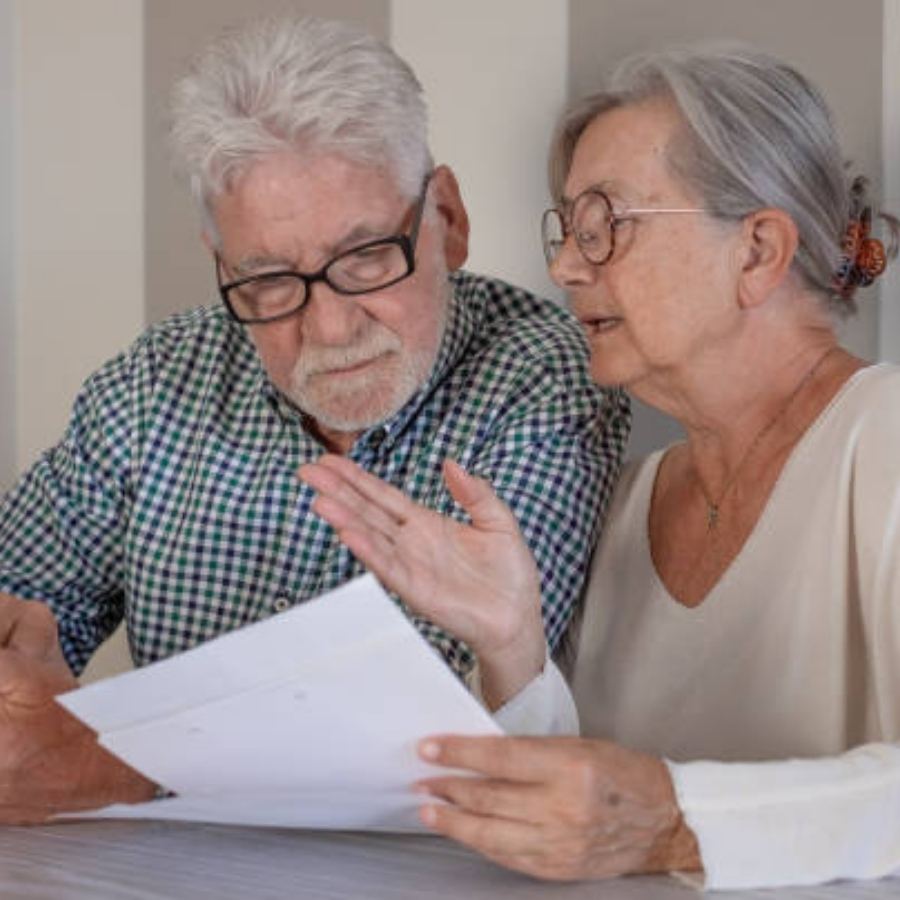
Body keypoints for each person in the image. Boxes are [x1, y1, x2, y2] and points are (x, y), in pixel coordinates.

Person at [300, 43, 900, 890]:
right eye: (570, 229)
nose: (565, 267)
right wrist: (511, 643)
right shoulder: (626, 504)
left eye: (605, 225)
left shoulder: (885, 442)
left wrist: (675, 821)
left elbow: (646, 822)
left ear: (759, 250)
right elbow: (579, 825)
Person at [0, 16, 629, 822]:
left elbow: (445, 730)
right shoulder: (153, 383)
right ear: (222, 265)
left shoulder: (543, 376)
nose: (329, 330)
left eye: (366, 256)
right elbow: (24, 613)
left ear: (447, 218)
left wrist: (119, 765)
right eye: (266, 279)